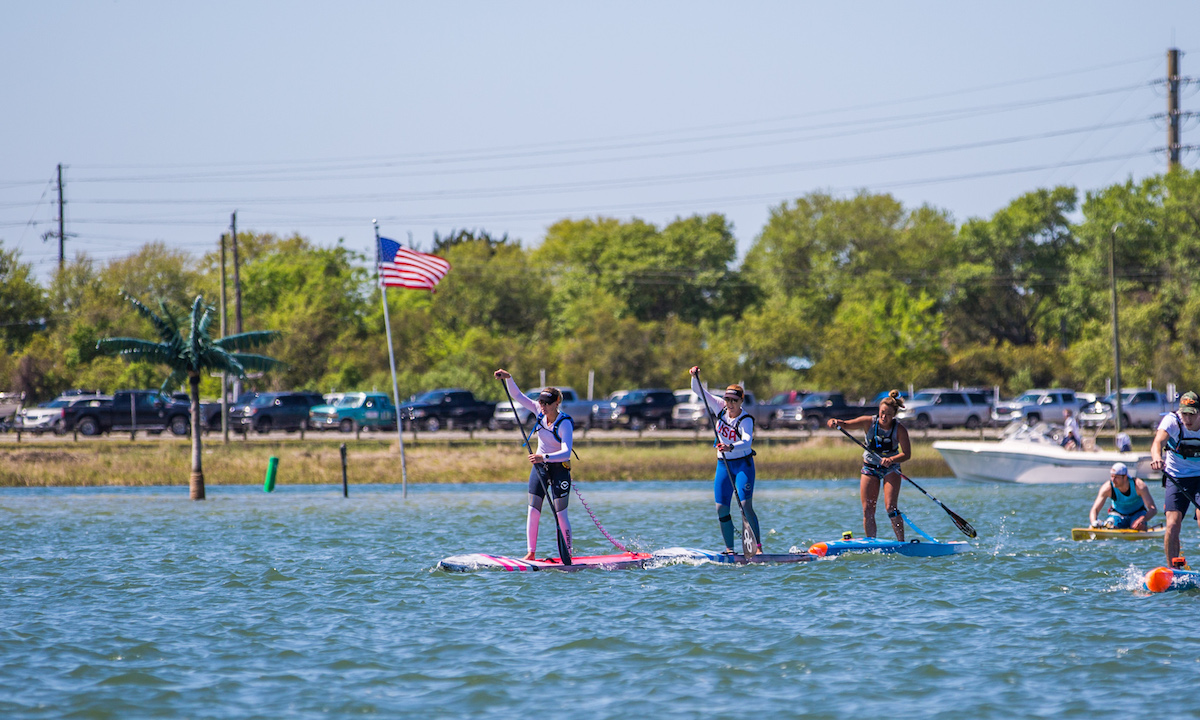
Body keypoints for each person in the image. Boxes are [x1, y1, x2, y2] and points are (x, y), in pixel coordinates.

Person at [494, 369, 573, 561]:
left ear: (556, 403)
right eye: (541, 402)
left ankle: (568, 554)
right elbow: (517, 396)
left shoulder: (564, 424)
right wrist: (509, 378)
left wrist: (543, 456)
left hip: (559, 468)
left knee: (560, 513)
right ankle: (531, 552)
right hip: (540, 468)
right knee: (533, 509)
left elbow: (566, 452)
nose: (542, 406)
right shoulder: (538, 411)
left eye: (547, 403)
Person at [689, 366, 761, 554]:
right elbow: (698, 391)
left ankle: (758, 548)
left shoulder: (746, 419)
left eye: (734, 401)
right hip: (723, 465)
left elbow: (747, 442)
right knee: (721, 508)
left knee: (745, 506)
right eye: (728, 400)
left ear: (741, 401)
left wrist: (730, 447)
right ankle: (730, 550)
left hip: (743, 465)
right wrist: (694, 376)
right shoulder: (719, 407)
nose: (730, 404)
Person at [827, 390, 912, 540]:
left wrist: (891, 460)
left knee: (890, 508)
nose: (884, 417)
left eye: (888, 415)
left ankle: (901, 542)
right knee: (868, 509)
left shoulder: (899, 429)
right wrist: (835, 422)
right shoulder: (868, 422)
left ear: (894, 416)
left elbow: (907, 454)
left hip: (891, 469)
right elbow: (846, 424)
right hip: (870, 468)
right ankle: (871, 541)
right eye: (882, 413)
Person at [1151, 391, 1200, 567]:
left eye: (1191, 414)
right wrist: (1157, 457)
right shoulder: (1172, 421)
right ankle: (1173, 569)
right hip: (1177, 476)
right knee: (1172, 524)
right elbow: (1158, 442)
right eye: (1184, 413)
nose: (1187, 419)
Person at [1088, 462, 1157, 530]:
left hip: (1137, 513)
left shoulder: (1139, 486)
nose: (1113, 480)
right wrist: (1094, 522)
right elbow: (1095, 509)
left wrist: (1142, 519)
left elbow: (1153, 509)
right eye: (1112, 476)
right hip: (1117, 514)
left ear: (1125, 477)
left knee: (1139, 526)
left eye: (1116, 477)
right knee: (1111, 527)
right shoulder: (1107, 488)